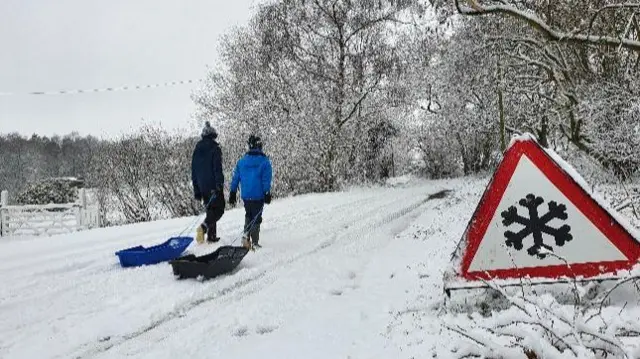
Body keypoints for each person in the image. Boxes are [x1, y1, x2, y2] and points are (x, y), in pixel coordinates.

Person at [228, 135, 273, 249]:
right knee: (256, 218)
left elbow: (236, 178)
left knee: (249, 214)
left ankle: (246, 236)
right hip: (259, 195)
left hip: (246, 195)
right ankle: (254, 242)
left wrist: (233, 192)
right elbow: (266, 179)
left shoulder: (242, 161)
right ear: (259, 146)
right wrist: (267, 192)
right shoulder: (264, 162)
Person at [191, 121, 226, 243]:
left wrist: (197, 191)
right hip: (213, 185)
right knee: (219, 209)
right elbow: (217, 168)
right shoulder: (215, 148)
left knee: (211, 209)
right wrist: (219, 184)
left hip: (202, 187)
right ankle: (203, 227)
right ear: (213, 136)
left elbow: (194, 172)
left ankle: (211, 236)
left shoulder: (196, 150)